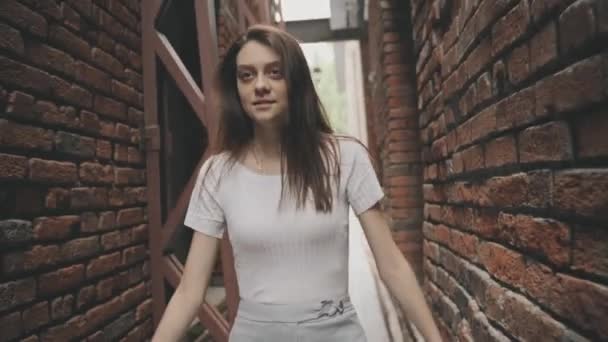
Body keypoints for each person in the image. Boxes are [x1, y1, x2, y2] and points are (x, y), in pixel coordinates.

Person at [151, 24, 442, 342]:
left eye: (274, 72)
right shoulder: (217, 174)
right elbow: (190, 292)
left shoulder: (345, 158)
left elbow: (392, 267)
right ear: (237, 89)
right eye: (246, 76)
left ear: (296, 81)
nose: (260, 85)